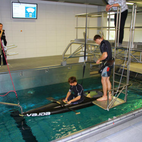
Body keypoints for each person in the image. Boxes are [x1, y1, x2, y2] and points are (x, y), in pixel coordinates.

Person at [94, 35, 113, 101]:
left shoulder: (102, 44)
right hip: (111, 62)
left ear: (97, 39)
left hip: (106, 64)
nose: (97, 43)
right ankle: (109, 95)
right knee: (107, 79)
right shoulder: (107, 42)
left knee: (103, 80)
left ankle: (104, 96)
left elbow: (105, 55)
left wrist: (99, 59)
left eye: (96, 42)